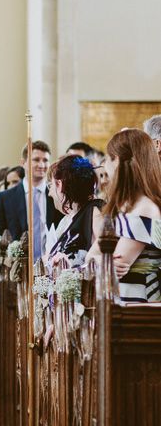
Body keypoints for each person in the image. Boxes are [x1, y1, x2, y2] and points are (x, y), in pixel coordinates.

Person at [87, 129, 161, 302]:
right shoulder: (126, 207)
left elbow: (116, 267)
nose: (104, 165)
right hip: (122, 302)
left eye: (107, 159)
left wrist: (98, 261)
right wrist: (97, 261)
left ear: (117, 161)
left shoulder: (145, 208)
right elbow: (94, 256)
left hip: (138, 306)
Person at [0, 140, 64, 259]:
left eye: (45, 160)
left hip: (50, 266)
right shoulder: (5, 198)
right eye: (36, 160)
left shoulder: (57, 195)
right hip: (17, 267)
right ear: (23, 162)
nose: (41, 165)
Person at [45, 155, 104, 269]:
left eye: (50, 185)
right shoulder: (77, 214)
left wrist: (74, 266)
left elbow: (104, 250)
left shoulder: (94, 211)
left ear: (59, 184)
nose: (49, 193)